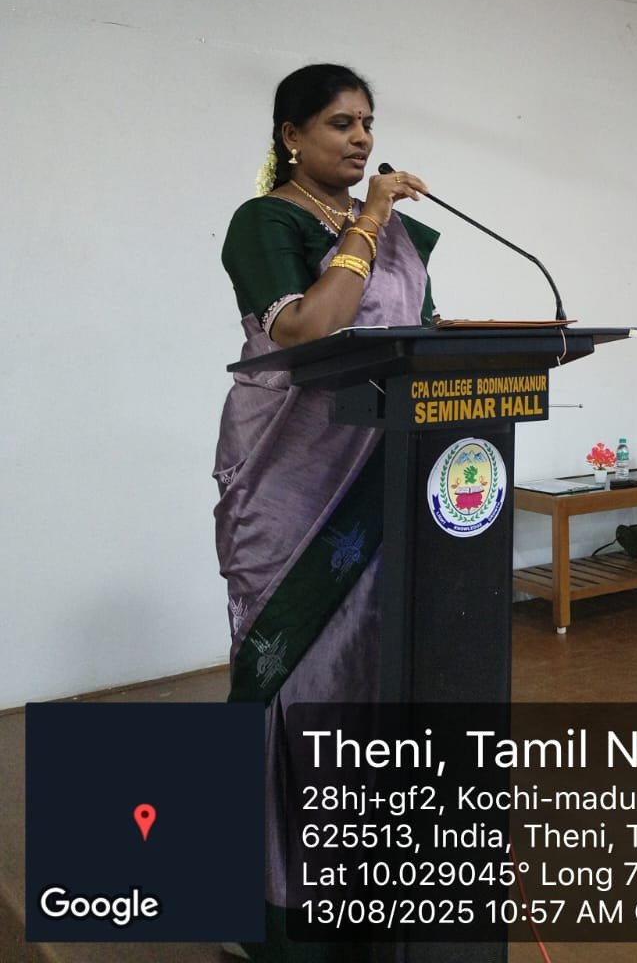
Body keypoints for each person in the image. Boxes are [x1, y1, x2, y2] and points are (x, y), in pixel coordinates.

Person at [214, 64, 437, 960]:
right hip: (290, 475)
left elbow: (419, 343)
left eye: (368, 122)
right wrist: (370, 220)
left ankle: (357, 879)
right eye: (341, 123)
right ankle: (265, 903)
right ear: (291, 135)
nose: (362, 138)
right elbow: (308, 329)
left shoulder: (399, 234)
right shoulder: (265, 222)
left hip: (379, 467)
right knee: (294, 674)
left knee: (366, 669)